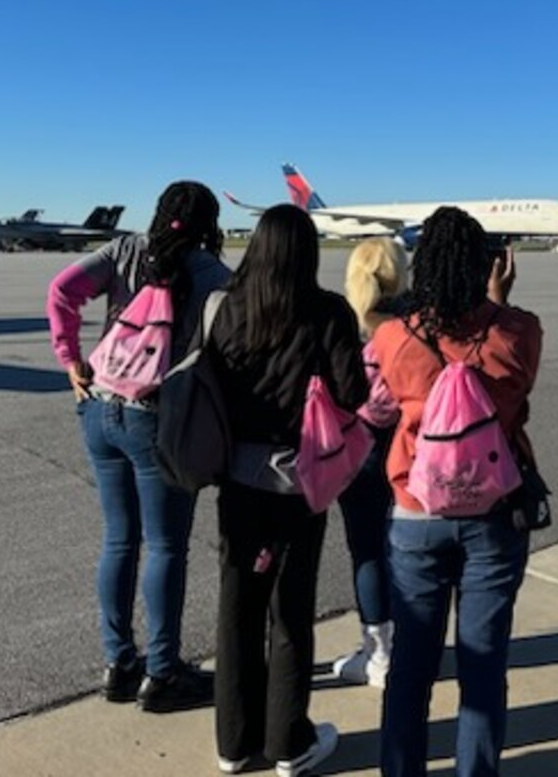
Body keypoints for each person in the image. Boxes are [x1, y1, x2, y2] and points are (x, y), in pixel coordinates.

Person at [371, 207, 542, 777]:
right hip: (495, 509)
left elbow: (379, 406)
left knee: (411, 669)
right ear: (485, 265)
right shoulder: (519, 330)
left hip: (417, 510)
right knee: (483, 665)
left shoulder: (393, 336)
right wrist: (498, 300)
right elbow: (517, 394)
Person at [46, 181, 230, 711]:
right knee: (167, 545)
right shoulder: (215, 275)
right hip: (159, 419)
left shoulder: (125, 249)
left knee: (119, 539)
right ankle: (164, 671)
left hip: (100, 407)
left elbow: (62, 290)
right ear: (209, 224)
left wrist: (69, 358)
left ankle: (119, 662)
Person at [207, 204, 369, 776]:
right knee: (289, 610)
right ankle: (288, 742)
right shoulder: (328, 311)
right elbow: (353, 395)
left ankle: (233, 742)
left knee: (238, 606)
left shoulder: (226, 309)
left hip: (238, 480)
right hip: (299, 481)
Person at [330, 238, 409, 687]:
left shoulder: (346, 326)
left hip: (358, 446)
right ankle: (412, 640)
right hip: (409, 446)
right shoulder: (417, 324)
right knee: (408, 549)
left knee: (367, 550)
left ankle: (379, 652)